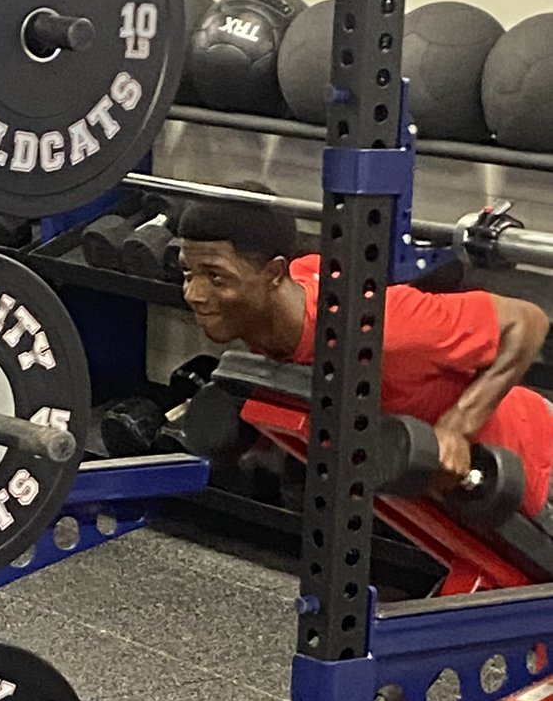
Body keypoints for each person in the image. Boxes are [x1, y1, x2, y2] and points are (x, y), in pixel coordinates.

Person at [177, 197, 553, 523]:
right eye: (188, 273)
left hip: (534, 466)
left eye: (216, 278)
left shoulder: (376, 323)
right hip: (442, 494)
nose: (194, 293)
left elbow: (528, 322)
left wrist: (457, 427)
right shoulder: (278, 303)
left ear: (274, 273)